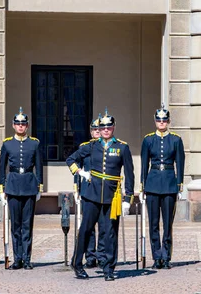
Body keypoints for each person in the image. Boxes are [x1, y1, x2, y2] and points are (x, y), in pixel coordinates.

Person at [66, 108, 134, 281]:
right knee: (85, 231)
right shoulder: (91, 146)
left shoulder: (122, 147)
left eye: (108, 127)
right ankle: (77, 263)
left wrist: (127, 199)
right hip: (92, 194)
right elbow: (71, 159)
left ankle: (109, 268)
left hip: (112, 196)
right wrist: (81, 173)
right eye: (102, 127)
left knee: (110, 232)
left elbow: (130, 174)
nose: (105, 130)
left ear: (113, 128)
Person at [140, 105, 185, 269]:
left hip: (169, 184)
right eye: (159, 120)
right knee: (153, 224)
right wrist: (142, 186)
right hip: (152, 184)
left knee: (167, 224)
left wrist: (179, 185)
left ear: (169, 122)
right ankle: (156, 257)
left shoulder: (175, 140)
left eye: (164, 120)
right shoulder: (148, 139)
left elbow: (180, 163)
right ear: (155, 121)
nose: (161, 122)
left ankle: (166, 257)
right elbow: (144, 164)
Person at [0, 107, 43, 270]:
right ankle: (17, 258)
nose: (20, 127)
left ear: (27, 126)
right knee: (15, 225)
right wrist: (2, 186)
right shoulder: (7, 144)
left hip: (29, 185)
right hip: (13, 185)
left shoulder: (34, 143)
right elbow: (2, 166)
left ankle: (27, 258)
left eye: (23, 124)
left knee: (27, 224)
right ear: (13, 125)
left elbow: (39, 166)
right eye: (18, 124)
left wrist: (39, 186)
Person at [79, 116, 105, 268]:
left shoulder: (106, 147)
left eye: (98, 129)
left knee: (103, 225)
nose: (97, 132)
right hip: (87, 190)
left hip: (102, 190)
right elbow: (79, 166)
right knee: (88, 226)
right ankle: (90, 256)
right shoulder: (85, 146)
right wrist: (77, 188)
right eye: (94, 130)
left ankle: (101, 255)